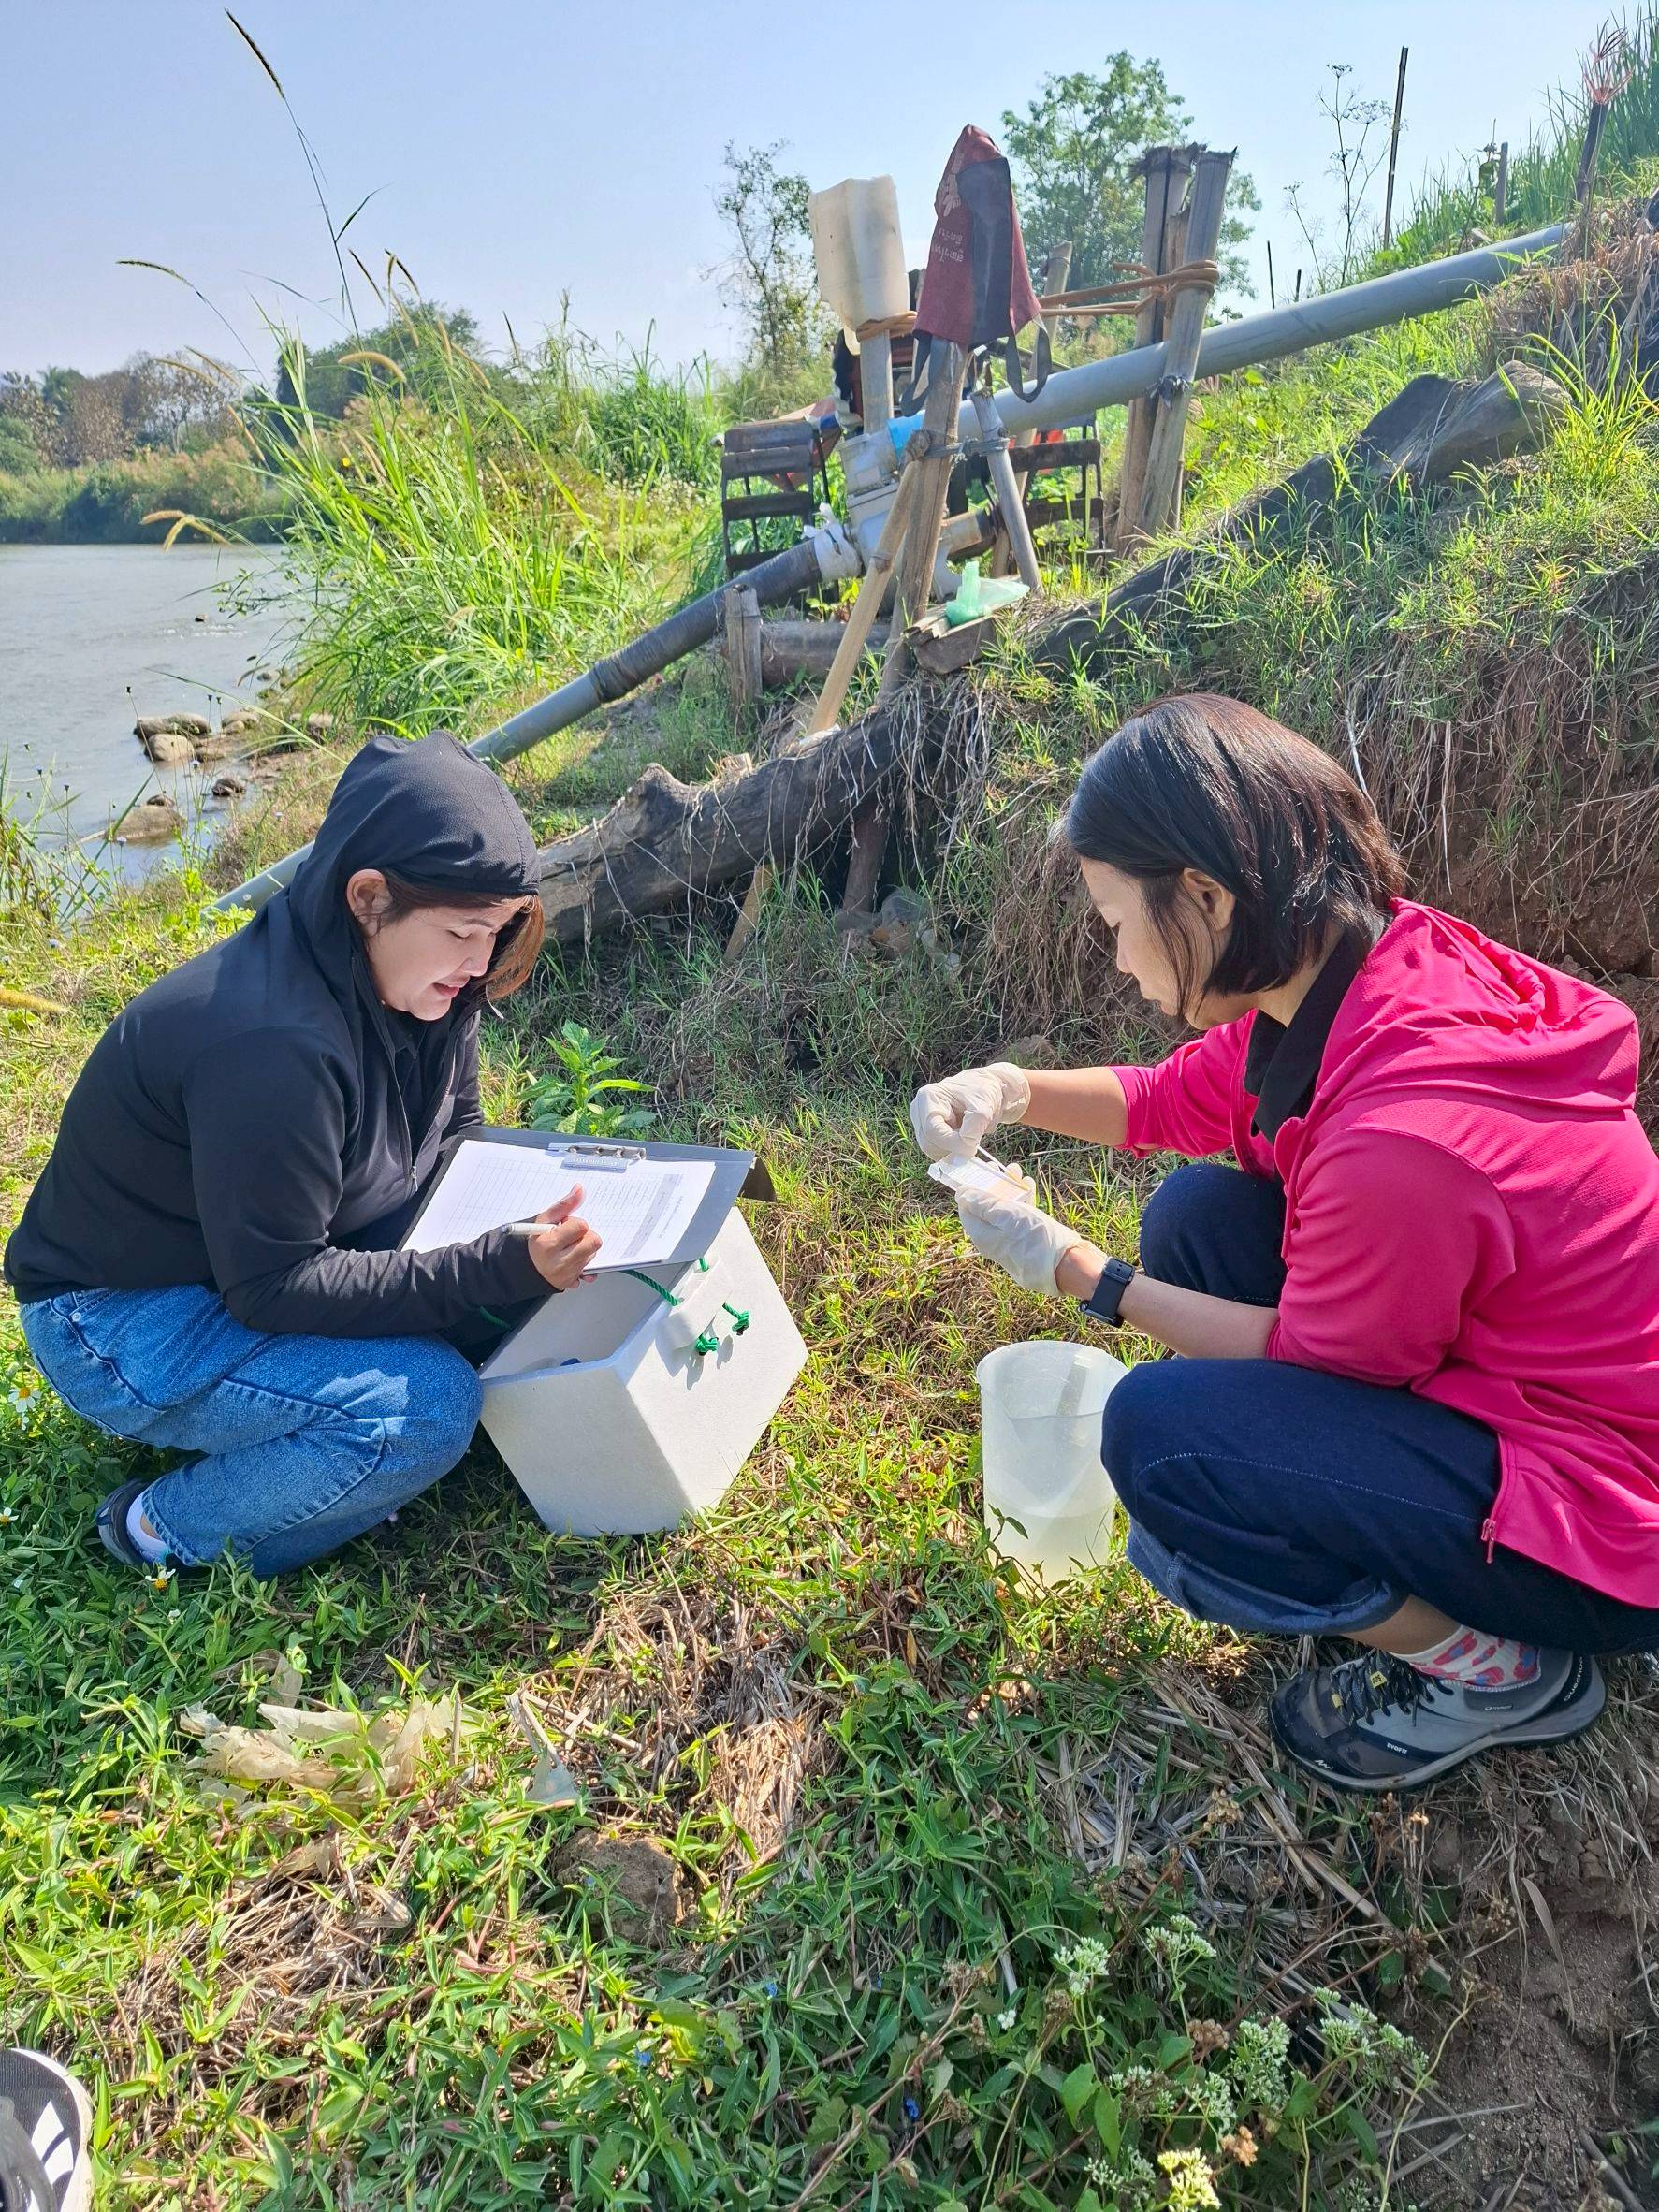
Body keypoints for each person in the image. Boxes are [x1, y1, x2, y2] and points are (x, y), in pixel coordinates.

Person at [910, 694, 1659, 1793]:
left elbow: (1309, 1360)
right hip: (1532, 1389)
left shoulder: (1399, 1144)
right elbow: (1178, 1100)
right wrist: (1009, 1090)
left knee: (1164, 1442)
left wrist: (1078, 1270)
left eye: (1118, 920)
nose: (1117, 957)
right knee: (1195, 1221)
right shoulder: (1364, 969)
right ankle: (1354, 1555)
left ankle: (1505, 1673)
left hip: (1606, 1518)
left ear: (1206, 894)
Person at [5, 733, 601, 1578]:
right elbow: (274, 1287)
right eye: (464, 932)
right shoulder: (269, 1044)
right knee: (428, 1408)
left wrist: (518, 1232)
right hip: (122, 1319)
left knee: (507, 1301)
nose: (480, 966)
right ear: (368, 899)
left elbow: (454, 1142)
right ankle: (157, 1525)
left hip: (248, 1258)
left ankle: (306, 1459)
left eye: (500, 931)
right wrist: (490, 1268)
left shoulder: (425, 985)